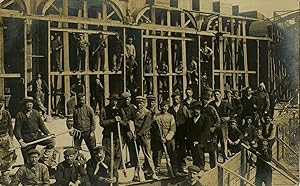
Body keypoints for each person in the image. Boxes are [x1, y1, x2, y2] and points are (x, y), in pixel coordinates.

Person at [14, 96, 55, 163]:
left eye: (31, 104)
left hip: (37, 136)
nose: (29, 106)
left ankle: (43, 158)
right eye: (27, 104)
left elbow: (42, 126)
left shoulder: (36, 113)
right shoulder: (20, 115)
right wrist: (21, 141)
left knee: (51, 141)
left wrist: (48, 134)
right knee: (28, 161)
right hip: (27, 140)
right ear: (24, 105)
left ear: (33, 104)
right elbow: (17, 130)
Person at [128, 96, 158, 180]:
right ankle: (136, 172)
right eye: (137, 103)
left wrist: (138, 135)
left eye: (141, 103)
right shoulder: (134, 112)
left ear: (144, 103)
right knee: (135, 155)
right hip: (135, 136)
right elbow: (131, 121)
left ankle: (153, 172)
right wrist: (132, 132)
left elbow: (146, 126)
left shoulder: (147, 113)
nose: (139, 104)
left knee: (147, 155)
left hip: (145, 136)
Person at [100, 93, 127, 169]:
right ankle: (109, 170)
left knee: (118, 154)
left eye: (116, 100)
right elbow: (102, 122)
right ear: (110, 100)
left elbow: (125, 123)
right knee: (108, 154)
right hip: (108, 135)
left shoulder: (120, 110)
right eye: (113, 100)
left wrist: (120, 121)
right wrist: (113, 120)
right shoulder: (104, 110)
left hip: (118, 135)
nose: (115, 102)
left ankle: (116, 170)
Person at [168, 92, 191, 174]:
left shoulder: (184, 108)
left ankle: (182, 166)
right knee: (173, 150)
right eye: (174, 99)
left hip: (182, 133)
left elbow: (188, 120)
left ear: (180, 99)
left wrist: (187, 132)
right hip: (173, 133)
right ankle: (175, 167)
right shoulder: (170, 109)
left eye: (177, 99)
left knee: (182, 149)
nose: (176, 100)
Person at [209, 89, 234, 161]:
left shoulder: (224, 103)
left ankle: (225, 158)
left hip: (223, 124)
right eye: (215, 94)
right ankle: (215, 159)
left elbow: (233, 110)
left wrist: (228, 117)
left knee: (223, 141)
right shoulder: (211, 104)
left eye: (217, 94)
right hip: (215, 125)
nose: (216, 96)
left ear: (220, 95)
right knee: (214, 142)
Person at [152, 101, 176, 174]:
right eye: (162, 106)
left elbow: (173, 128)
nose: (163, 108)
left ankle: (173, 168)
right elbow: (153, 128)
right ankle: (157, 168)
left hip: (168, 138)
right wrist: (159, 137)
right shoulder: (156, 116)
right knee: (157, 154)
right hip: (158, 138)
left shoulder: (171, 116)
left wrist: (167, 138)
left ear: (168, 107)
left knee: (172, 152)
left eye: (165, 106)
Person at [186, 101, 211, 171]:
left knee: (198, 148)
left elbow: (205, 131)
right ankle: (195, 168)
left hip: (204, 141)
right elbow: (189, 132)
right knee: (193, 149)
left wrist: (198, 140)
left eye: (197, 109)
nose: (195, 111)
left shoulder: (206, 119)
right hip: (193, 141)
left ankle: (201, 167)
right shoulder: (190, 120)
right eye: (194, 109)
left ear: (200, 110)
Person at [201, 91, 220, 169]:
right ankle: (202, 167)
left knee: (212, 150)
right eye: (203, 99)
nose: (204, 101)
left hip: (211, 132)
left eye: (206, 99)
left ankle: (213, 167)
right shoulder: (199, 109)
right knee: (201, 149)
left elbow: (218, 120)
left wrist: (214, 127)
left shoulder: (211, 109)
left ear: (208, 100)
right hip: (202, 132)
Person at [0, 95, 15, 185]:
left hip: (5, 138)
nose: (0, 104)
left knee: (8, 157)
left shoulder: (6, 113)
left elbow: (10, 127)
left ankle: (5, 177)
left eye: (1, 102)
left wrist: (11, 138)